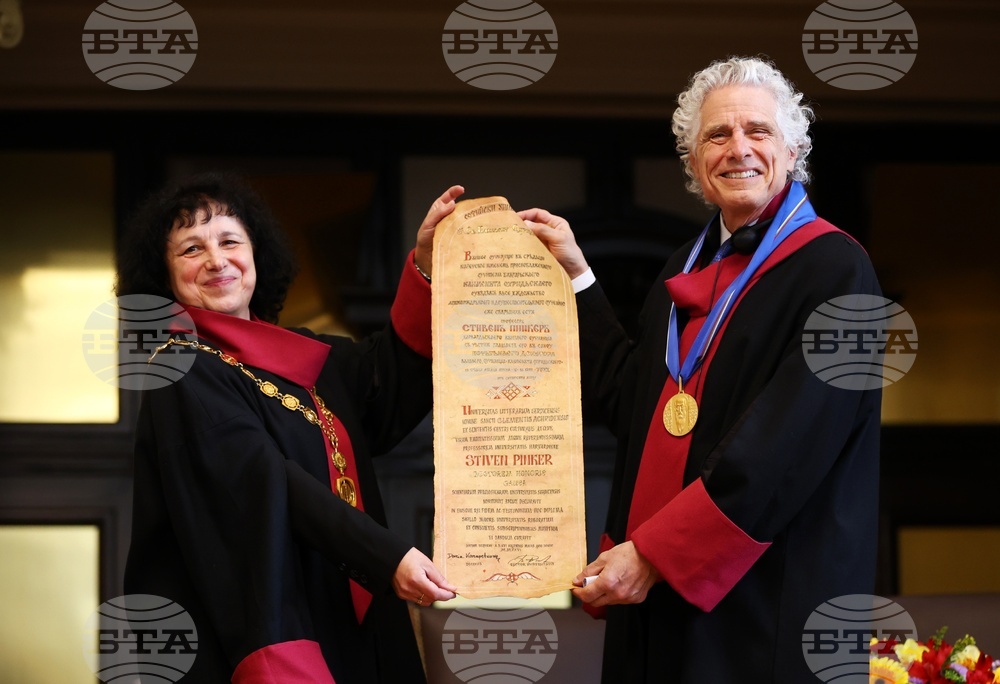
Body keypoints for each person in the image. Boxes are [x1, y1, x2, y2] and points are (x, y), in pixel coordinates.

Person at [520, 56, 882, 682]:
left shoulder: (839, 272)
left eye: (758, 131)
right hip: (657, 600)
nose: (738, 148)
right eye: (717, 135)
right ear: (694, 165)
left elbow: (784, 446)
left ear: (793, 151)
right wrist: (577, 278)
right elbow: (629, 403)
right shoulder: (679, 272)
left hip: (761, 603)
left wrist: (658, 554)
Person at [119, 172, 464, 683]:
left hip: (341, 611)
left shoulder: (304, 359)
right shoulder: (182, 369)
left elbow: (384, 383)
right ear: (163, 276)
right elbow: (262, 478)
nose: (216, 260)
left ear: (256, 254)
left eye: (230, 240)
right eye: (191, 248)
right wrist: (386, 556)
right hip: (262, 626)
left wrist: (427, 268)